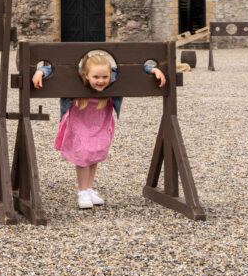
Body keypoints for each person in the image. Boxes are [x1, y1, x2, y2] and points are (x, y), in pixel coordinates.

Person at [33, 52, 165, 208]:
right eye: (96, 77)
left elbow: (137, 66)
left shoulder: (115, 75)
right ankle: (82, 192)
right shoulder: (76, 75)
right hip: (80, 119)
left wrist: (153, 70)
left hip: (100, 120)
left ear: (111, 74)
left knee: (95, 152)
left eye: (105, 77)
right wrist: (40, 71)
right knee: (83, 154)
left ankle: (88, 189)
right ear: (86, 75)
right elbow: (53, 68)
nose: (101, 81)